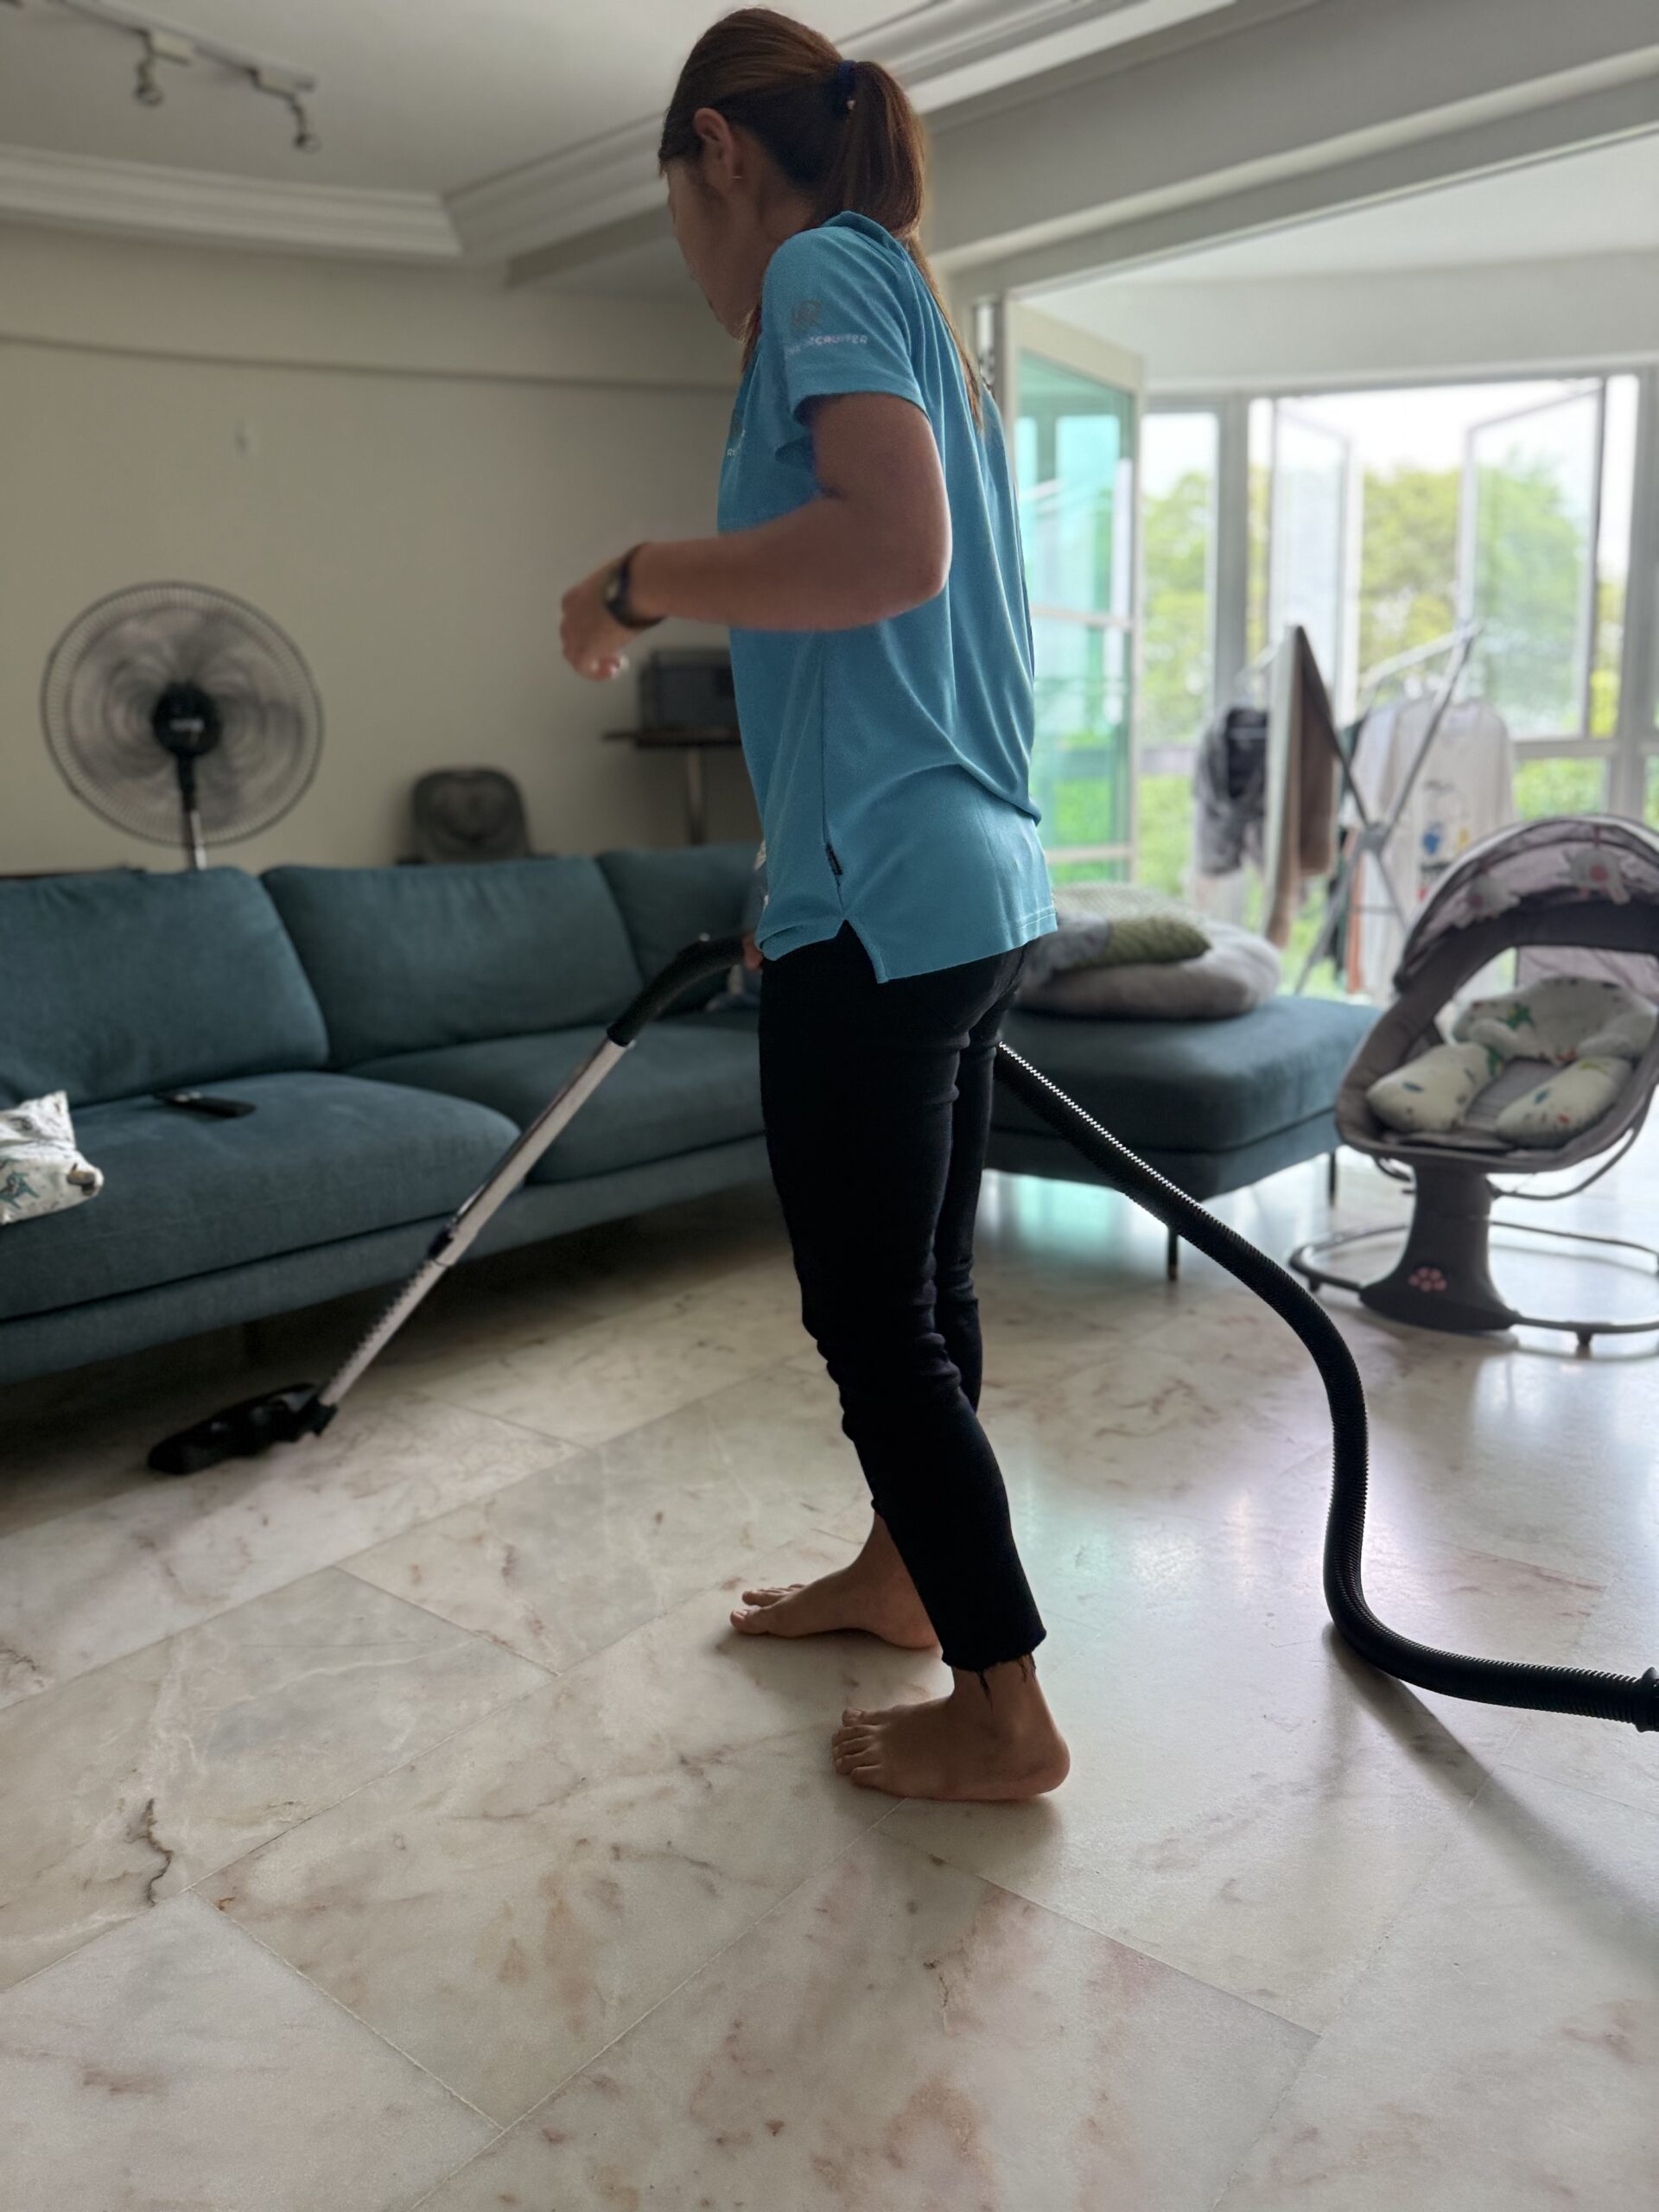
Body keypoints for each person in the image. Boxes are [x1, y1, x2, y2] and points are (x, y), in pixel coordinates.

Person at [559, 7, 1067, 1804]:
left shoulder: (823, 276)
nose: (691, 262)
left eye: (677, 212)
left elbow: (888, 552)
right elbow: (887, 658)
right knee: (921, 1288)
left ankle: (1006, 1706)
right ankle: (907, 1571)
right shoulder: (907, 294)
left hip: (905, 904)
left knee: (875, 1319)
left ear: (715, 153)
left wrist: (641, 575)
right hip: (965, 885)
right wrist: (801, 873)